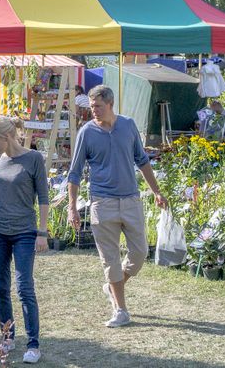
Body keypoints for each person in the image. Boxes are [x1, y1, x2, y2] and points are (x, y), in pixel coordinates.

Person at [67, 85, 167, 328]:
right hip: (102, 203)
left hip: (131, 200)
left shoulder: (128, 125)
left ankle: (113, 286)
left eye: (98, 107)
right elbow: (74, 172)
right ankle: (121, 310)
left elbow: (142, 161)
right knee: (110, 259)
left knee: (140, 253)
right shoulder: (86, 132)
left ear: (110, 104)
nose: (94, 111)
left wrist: (156, 191)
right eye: (91, 107)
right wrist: (72, 207)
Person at [0, 116, 49, 364]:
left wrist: (42, 232)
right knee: (0, 287)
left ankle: (33, 343)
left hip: (24, 231)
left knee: (24, 287)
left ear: (7, 137)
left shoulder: (33, 159)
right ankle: (7, 337)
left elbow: (43, 197)